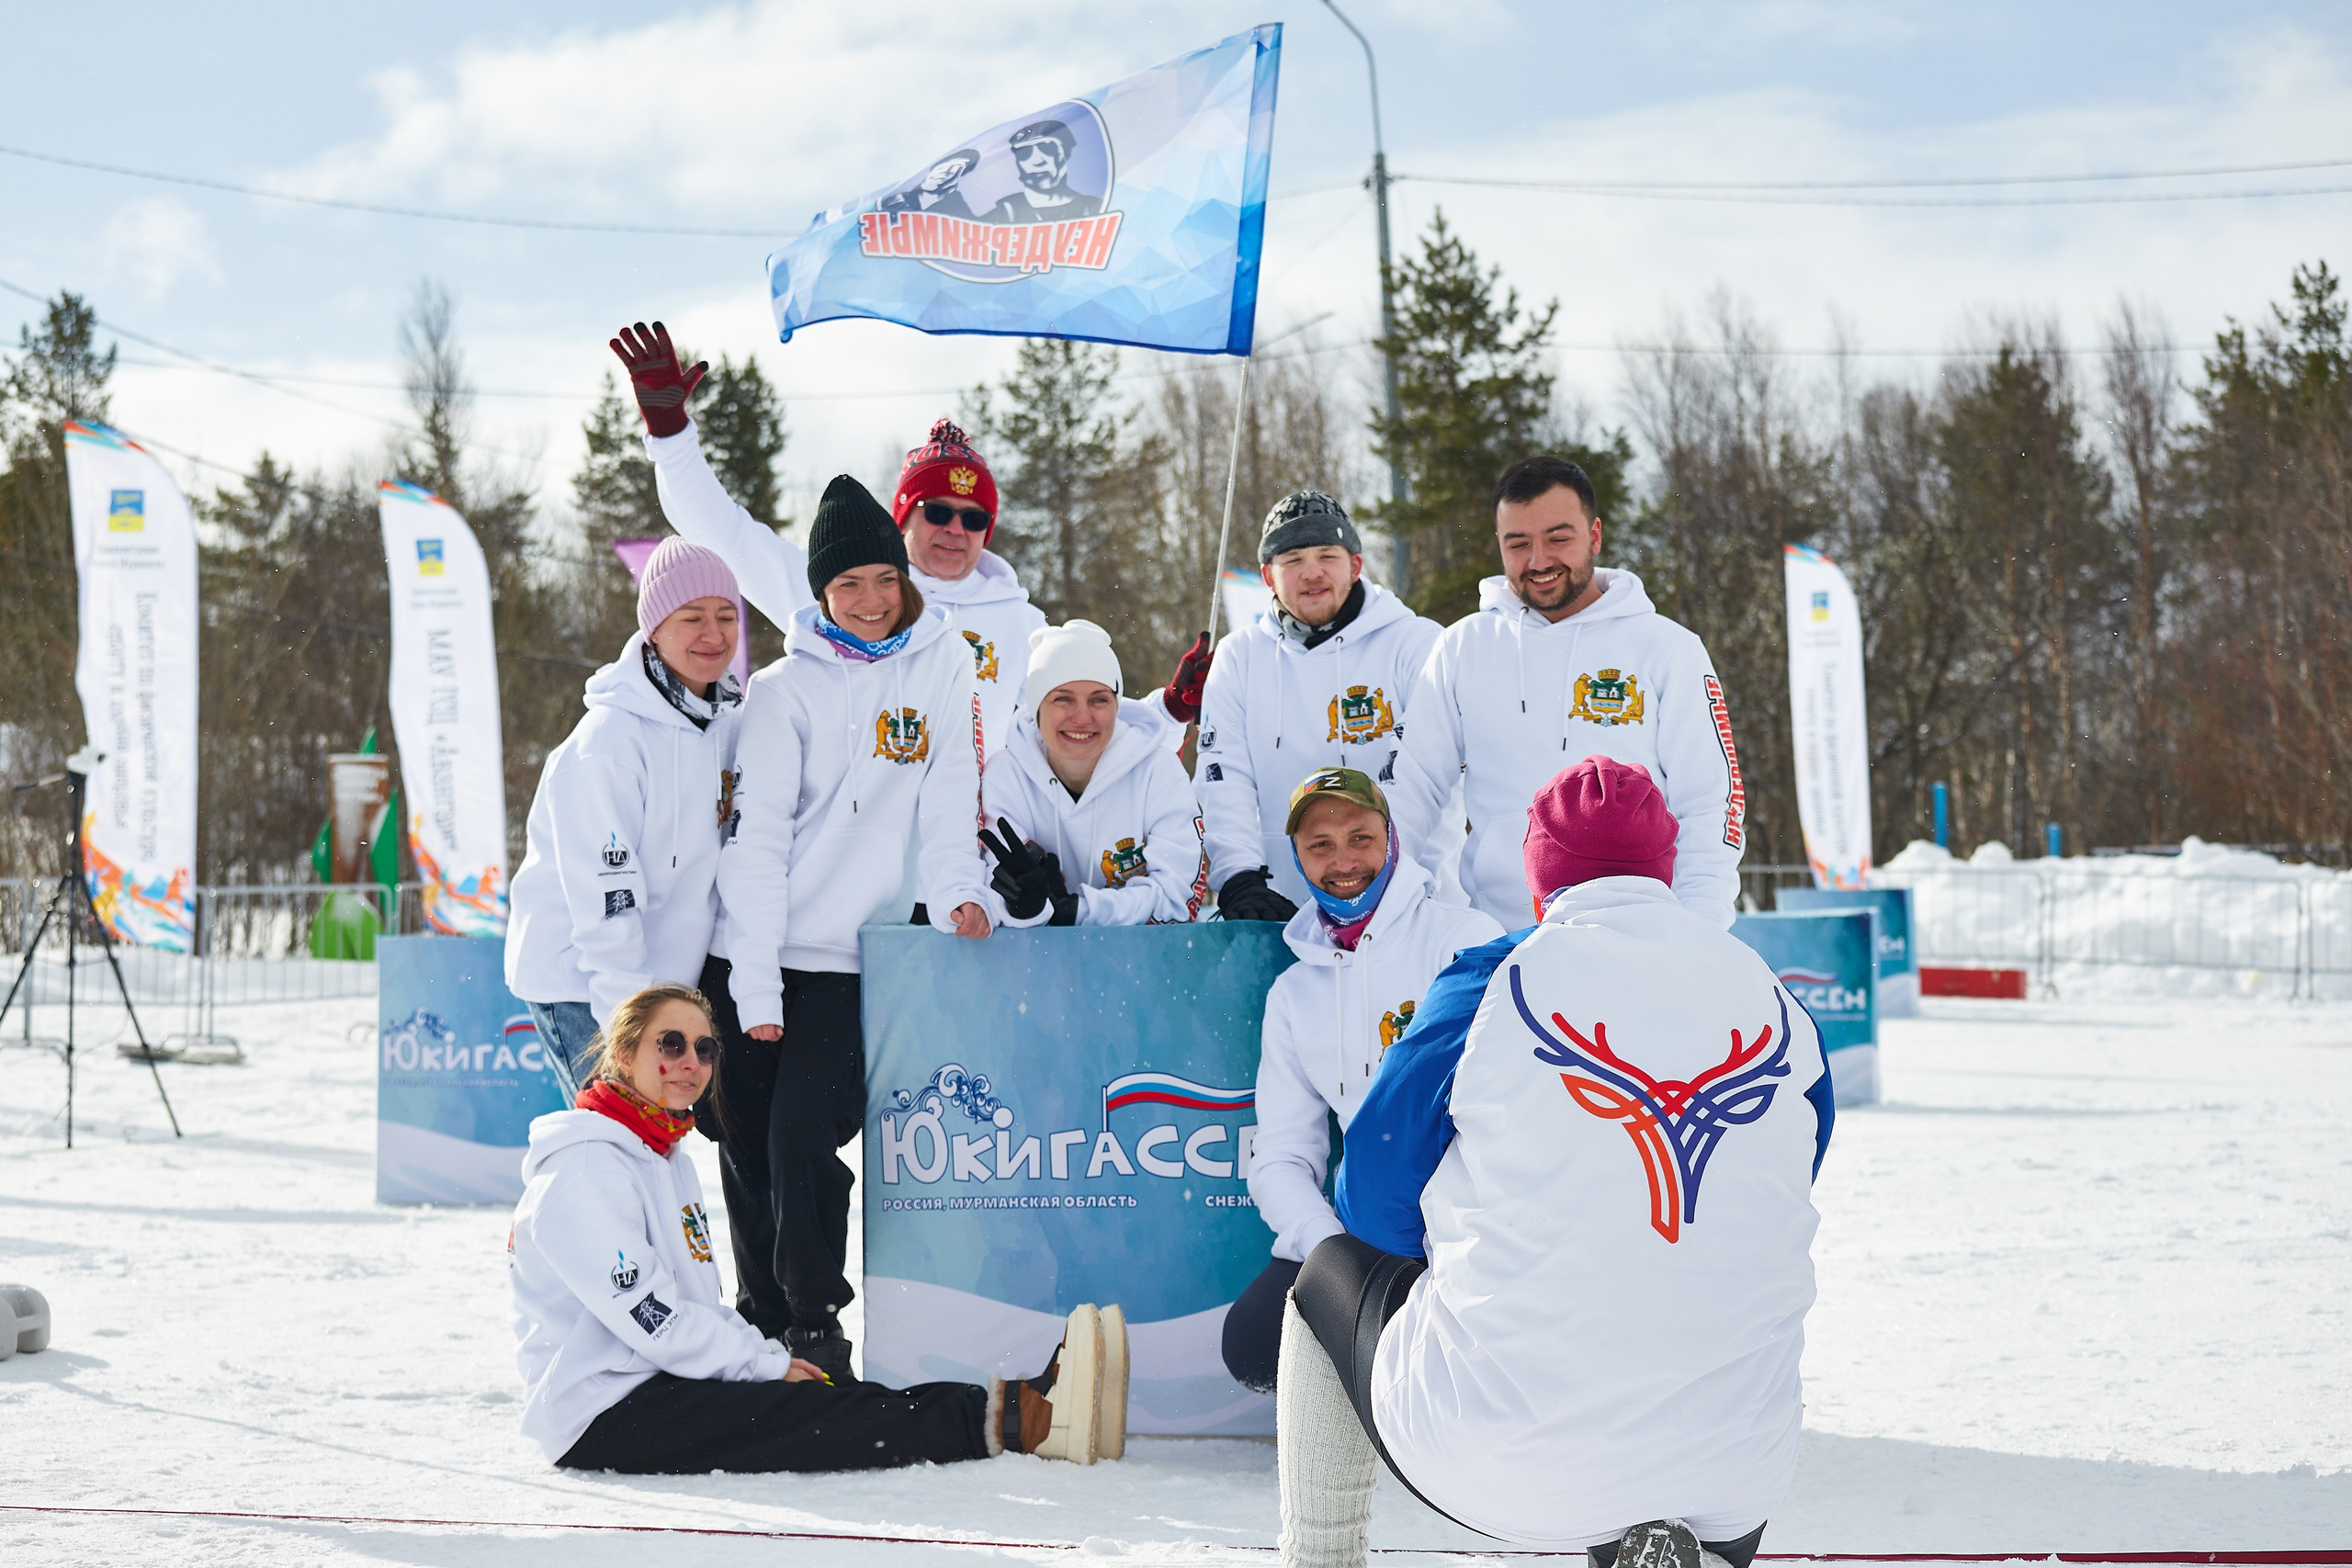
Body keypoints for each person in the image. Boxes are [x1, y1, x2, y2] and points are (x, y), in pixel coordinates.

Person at [1272, 757, 1834, 1567]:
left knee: (1326, 1273)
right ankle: (1654, 1528)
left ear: (1541, 871)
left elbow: (1370, 1189)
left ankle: (1319, 1558)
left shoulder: (1493, 977)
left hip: (1507, 1463)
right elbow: (1790, 1170)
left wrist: (1451, 1248)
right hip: (1742, 1475)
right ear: (1664, 868)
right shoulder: (1772, 996)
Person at [509, 982, 1129, 1471]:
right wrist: (762, 1366)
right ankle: (1020, 1420)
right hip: (601, 1411)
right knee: (809, 1420)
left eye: (706, 1048)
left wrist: (765, 1355)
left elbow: (695, 1306)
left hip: (649, 1382)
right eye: (669, 1043)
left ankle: (1027, 1407)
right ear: (625, 1054)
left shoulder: (661, 1155)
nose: (690, 1062)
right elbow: (658, 1321)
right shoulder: (585, 1168)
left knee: (816, 1397)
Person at [611, 321, 1204, 762]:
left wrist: (1172, 710)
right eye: (939, 511)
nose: (955, 529)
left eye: (975, 520)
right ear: (902, 519)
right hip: (850, 867)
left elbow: (1091, 725)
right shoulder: (844, 594)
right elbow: (721, 532)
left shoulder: (1024, 627)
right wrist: (671, 435)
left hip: (973, 874)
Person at [710, 473, 991, 1382]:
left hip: (851, 961)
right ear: (820, 596)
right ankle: (758, 1326)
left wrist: (959, 889)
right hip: (753, 953)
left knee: (803, 1139)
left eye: (881, 580)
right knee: (747, 1146)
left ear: (902, 578)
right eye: (846, 587)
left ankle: (815, 1325)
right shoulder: (783, 693)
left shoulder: (945, 665)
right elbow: (755, 847)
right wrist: (751, 985)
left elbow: (950, 794)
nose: (869, 602)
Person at [1220, 767, 1500, 1393]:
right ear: (1296, 856)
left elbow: (1506, 1112)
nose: (1344, 860)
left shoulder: (1463, 940)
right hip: (1363, 1230)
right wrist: (1333, 1255)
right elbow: (1282, 1155)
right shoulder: (1295, 993)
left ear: (1392, 839)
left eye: (1360, 837)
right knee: (1254, 1342)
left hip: (1460, 1222)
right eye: (1320, 844)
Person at [1389, 455, 1747, 930]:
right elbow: (1412, 791)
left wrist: (1701, 924)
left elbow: (1710, 800)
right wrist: (1386, 906)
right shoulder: (1462, 648)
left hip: (1639, 935)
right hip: (1501, 934)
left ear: (1594, 535)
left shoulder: (1668, 649)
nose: (1539, 562)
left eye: (1559, 538)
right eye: (1518, 543)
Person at [504, 538, 745, 1089]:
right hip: (586, 982)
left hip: (667, 987)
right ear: (654, 629)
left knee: (649, 1146)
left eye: (726, 616)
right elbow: (605, 905)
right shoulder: (609, 743)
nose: (713, 634)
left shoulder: (732, 723)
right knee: (617, 1141)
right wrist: (632, 1026)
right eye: (692, 618)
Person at [1195, 491, 1442, 919]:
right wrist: (1238, 879)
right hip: (1280, 912)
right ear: (1268, 577)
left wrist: (1383, 876)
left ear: (1356, 565)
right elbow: (1223, 782)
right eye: (1292, 560)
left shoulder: (1416, 644)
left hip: (1407, 903)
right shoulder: (1237, 658)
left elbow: (1428, 775)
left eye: (1327, 556)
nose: (1311, 573)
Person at [978, 620, 1207, 929]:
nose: (1082, 717)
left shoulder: (1158, 772)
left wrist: (1077, 911)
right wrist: (1023, 906)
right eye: (1063, 698)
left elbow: (1178, 896)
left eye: (1099, 699)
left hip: (1141, 966)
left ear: (1116, 705)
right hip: (1036, 966)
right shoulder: (1005, 776)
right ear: (1037, 708)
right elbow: (988, 890)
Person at [984, 119, 1103, 223]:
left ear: (1064, 154)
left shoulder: (1094, 207)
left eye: (1047, 148)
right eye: (1025, 153)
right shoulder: (1006, 212)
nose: (1037, 160)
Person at [881, 149, 981, 220]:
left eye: (952, 171)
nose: (943, 173)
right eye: (941, 168)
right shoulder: (895, 200)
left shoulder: (957, 212)